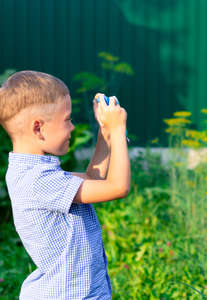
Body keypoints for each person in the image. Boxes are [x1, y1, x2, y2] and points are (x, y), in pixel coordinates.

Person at [0, 70, 130, 299]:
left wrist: (106, 133)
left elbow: (94, 180)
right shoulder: (38, 181)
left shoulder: (35, 173)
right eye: (67, 120)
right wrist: (118, 130)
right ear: (38, 128)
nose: (72, 127)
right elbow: (117, 187)